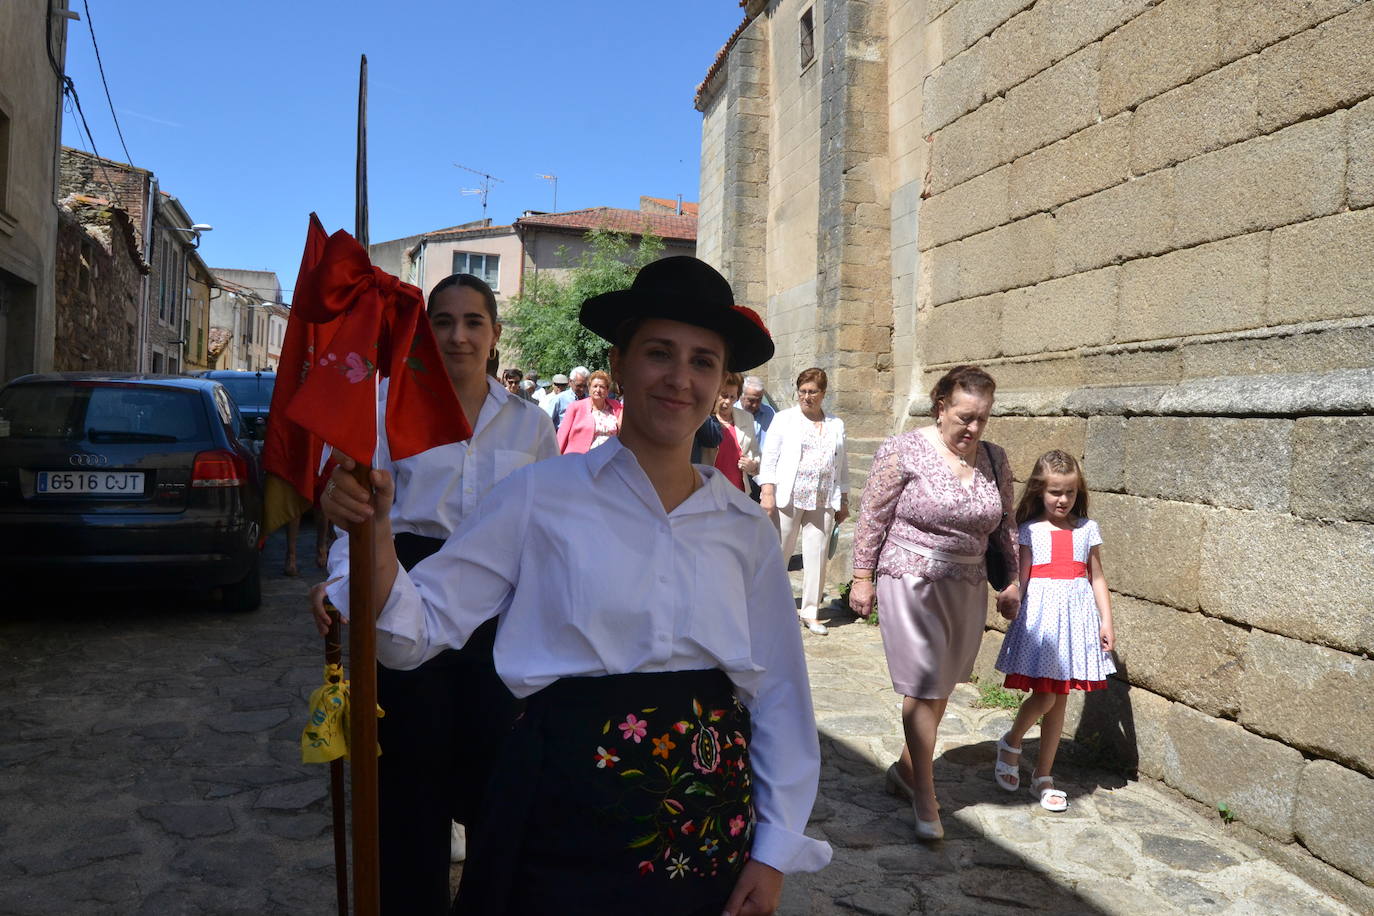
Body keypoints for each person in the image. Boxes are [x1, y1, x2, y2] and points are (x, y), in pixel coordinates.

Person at [323, 255, 831, 915]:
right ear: (618, 365)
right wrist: (376, 532)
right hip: (559, 813)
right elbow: (408, 638)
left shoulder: (745, 529)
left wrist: (772, 849)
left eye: (703, 361)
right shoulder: (538, 496)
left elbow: (781, 694)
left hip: (706, 829)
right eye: (659, 353)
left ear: (723, 384)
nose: (680, 379)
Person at [311, 272, 557, 914]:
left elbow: (552, 529)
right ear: (425, 331)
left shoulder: (530, 427)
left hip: (499, 613)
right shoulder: (385, 409)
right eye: (442, 321)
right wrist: (343, 587)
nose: (458, 335)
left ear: (495, 334)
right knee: (409, 786)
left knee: (498, 780)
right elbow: (360, 516)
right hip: (405, 587)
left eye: (473, 321)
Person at [848, 364, 1018, 841]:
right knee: (922, 683)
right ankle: (925, 793)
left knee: (941, 684)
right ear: (941, 406)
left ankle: (905, 769)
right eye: (965, 416)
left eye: (982, 418)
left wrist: (1012, 582)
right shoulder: (903, 449)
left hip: (966, 584)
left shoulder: (994, 458)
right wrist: (862, 577)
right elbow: (872, 515)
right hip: (908, 577)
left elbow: (1005, 525)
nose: (973, 428)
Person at [992, 450, 1115, 812]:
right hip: (1043, 623)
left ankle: (1043, 776)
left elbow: (1097, 577)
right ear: (1039, 491)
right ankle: (1012, 742)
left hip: (1076, 623)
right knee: (1045, 697)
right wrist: (1012, 598)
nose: (1063, 500)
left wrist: (1106, 619)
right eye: (1055, 492)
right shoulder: (1030, 531)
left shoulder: (1086, 530)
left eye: (1070, 493)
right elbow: (1022, 577)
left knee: (1059, 700)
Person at [757, 368, 850, 636]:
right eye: (803, 391)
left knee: (817, 556)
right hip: (790, 495)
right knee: (779, 554)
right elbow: (770, 457)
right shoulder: (784, 419)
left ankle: (810, 613)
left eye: (812, 392)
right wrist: (767, 491)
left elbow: (841, 464)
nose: (806, 397)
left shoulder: (836, 424)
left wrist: (843, 498)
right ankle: (769, 609)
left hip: (822, 498)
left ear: (823, 394)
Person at [712, 371, 761, 492]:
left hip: (738, 491)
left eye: (732, 397)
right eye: (724, 395)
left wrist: (753, 465)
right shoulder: (705, 418)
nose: (727, 401)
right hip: (709, 490)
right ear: (715, 393)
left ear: (737, 398)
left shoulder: (746, 418)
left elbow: (756, 454)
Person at [556, 369, 622, 454]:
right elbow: (562, 436)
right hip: (581, 460)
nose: (598, 390)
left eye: (602, 387)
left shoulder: (616, 406)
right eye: (595, 386)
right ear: (589, 388)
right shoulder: (576, 407)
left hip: (610, 459)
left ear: (607, 390)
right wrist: (556, 458)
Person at [736, 375, 774, 450]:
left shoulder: (769, 413)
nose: (755, 405)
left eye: (759, 400)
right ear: (741, 395)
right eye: (751, 400)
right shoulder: (730, 412)